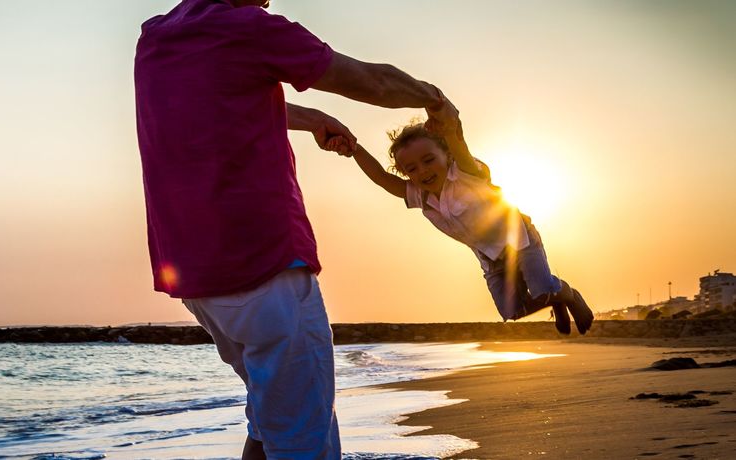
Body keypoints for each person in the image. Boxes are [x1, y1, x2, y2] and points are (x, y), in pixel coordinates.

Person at [134, 0, 455, 457]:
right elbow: (370, 81)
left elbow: (221, 101)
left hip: (196, 276)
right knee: (304, 441)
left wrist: (310, 121)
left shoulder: (158, 37)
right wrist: (433, 98)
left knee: (268, 423)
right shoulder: (249, 27)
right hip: (265, 267)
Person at [336, 100, 594, 335]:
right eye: (411, 168)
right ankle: (552, 296)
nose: (422, 171)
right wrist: (354, 149)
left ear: (446, 155)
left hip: (519, 238)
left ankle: (566, 295)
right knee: (511, 312)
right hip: (490, 257)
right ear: (405, 173)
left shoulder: (465, 173)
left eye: (428, 160)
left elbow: (459, 144)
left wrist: (447, 127)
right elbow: (383, 179)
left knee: (542, 289)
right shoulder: (420, 195)